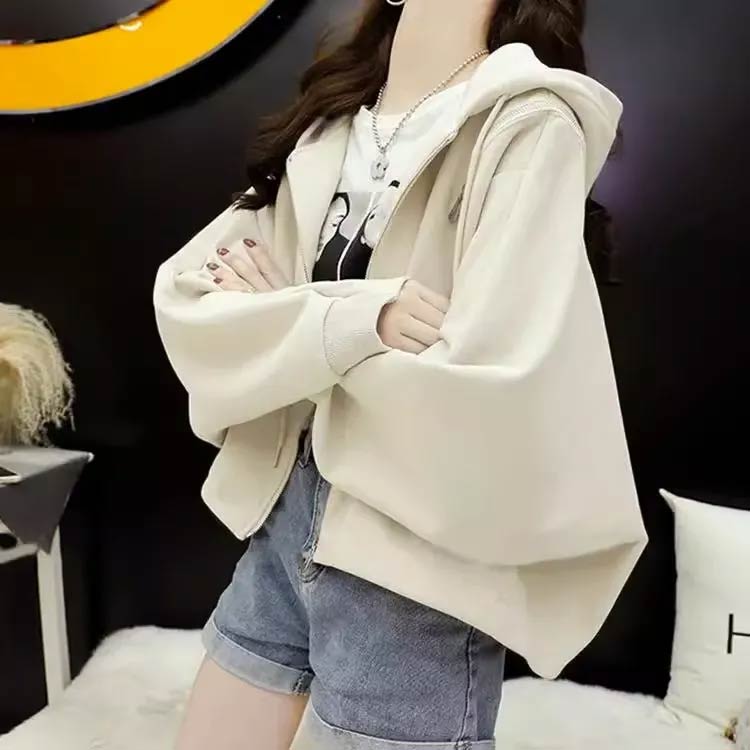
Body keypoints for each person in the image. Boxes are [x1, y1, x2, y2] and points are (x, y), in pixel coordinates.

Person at [152, 0, 649, 748]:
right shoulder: (329, 129)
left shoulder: (529, 125)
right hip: (283, 520)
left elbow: (489, 381)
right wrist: (354, 320)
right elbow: (191, 297)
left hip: (413, 563)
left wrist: (291, 327)